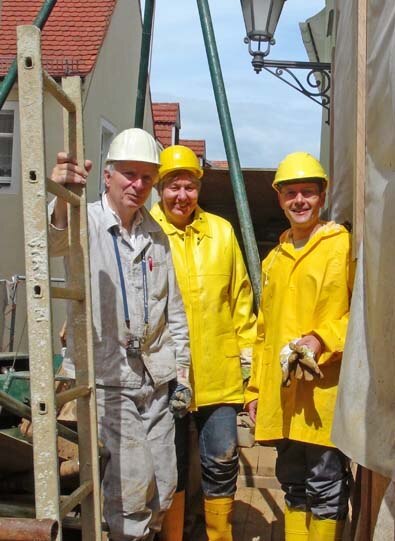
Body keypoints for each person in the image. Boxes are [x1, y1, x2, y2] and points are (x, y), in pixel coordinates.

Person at [49, 128, 191, 541]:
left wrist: (181, 374)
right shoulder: (86, 220)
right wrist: (62, 193)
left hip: (156, 377)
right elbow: (54, 239)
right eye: (129, 175)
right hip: (109, 377)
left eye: (147, 178)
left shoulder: (155, 233)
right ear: (106, 176)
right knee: (132, 485)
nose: (139, 185)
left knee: (164, 487)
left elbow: (174, 310)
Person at [245, 152, 354, 541]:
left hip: (325, 391)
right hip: (282, 392)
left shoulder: (341, 246)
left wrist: (321, 338)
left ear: (322, 197)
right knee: (291, 481)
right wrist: (255, 390)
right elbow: (263, 332)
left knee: (325, 482)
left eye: (308, 192)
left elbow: (359, 315)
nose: (299, 201)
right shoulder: (273, 259)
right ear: (280, 199)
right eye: (291, 193)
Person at [150, 145, 256, 541]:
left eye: (189, 186)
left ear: (199, 188)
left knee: (222, 459)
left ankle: (220, 535)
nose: (182, 195)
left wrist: (248, 367)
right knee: (170, 462)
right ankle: (174, 535)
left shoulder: (222, 232)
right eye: (173, 186)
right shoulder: (147, 230)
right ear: (160, 189)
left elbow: (241, 300)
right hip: (165, 376)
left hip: (219, 372)